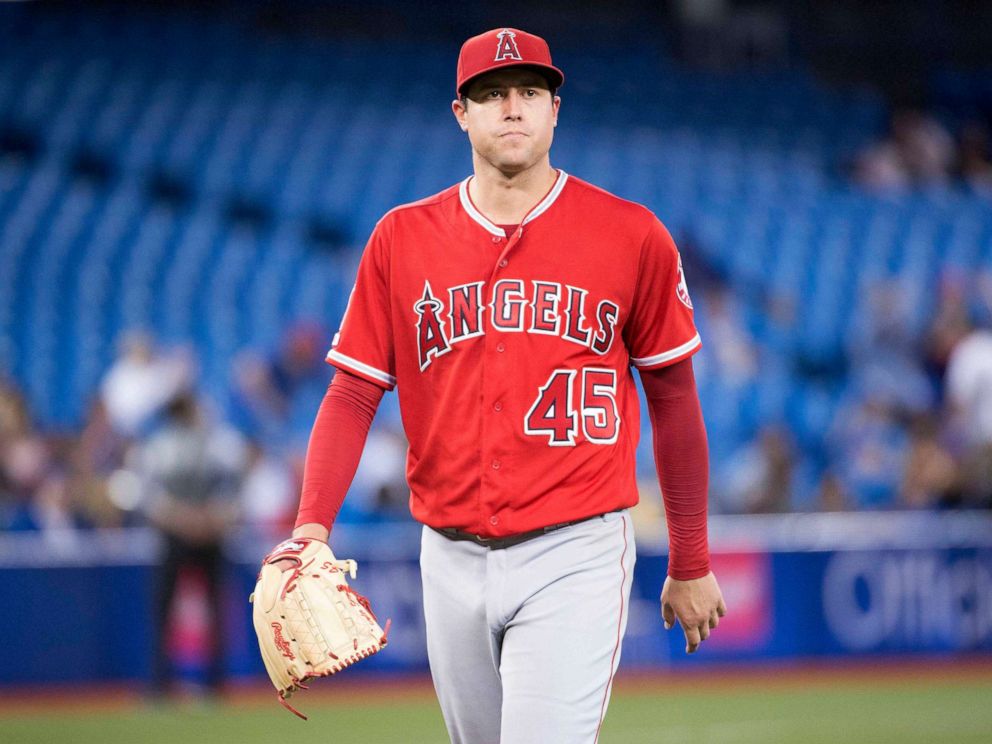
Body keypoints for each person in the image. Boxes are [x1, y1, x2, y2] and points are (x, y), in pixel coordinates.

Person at [269, 27, 725, 743]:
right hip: (447, 552)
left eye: (529, 93)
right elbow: (354, 392)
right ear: (461, 113)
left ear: (554, 110)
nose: (512, 108)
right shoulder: (401, 238)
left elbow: (672, 398)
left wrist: (691, 559)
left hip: (577, 546)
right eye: (491, 95)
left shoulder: (632, 235)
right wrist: (310, 529)